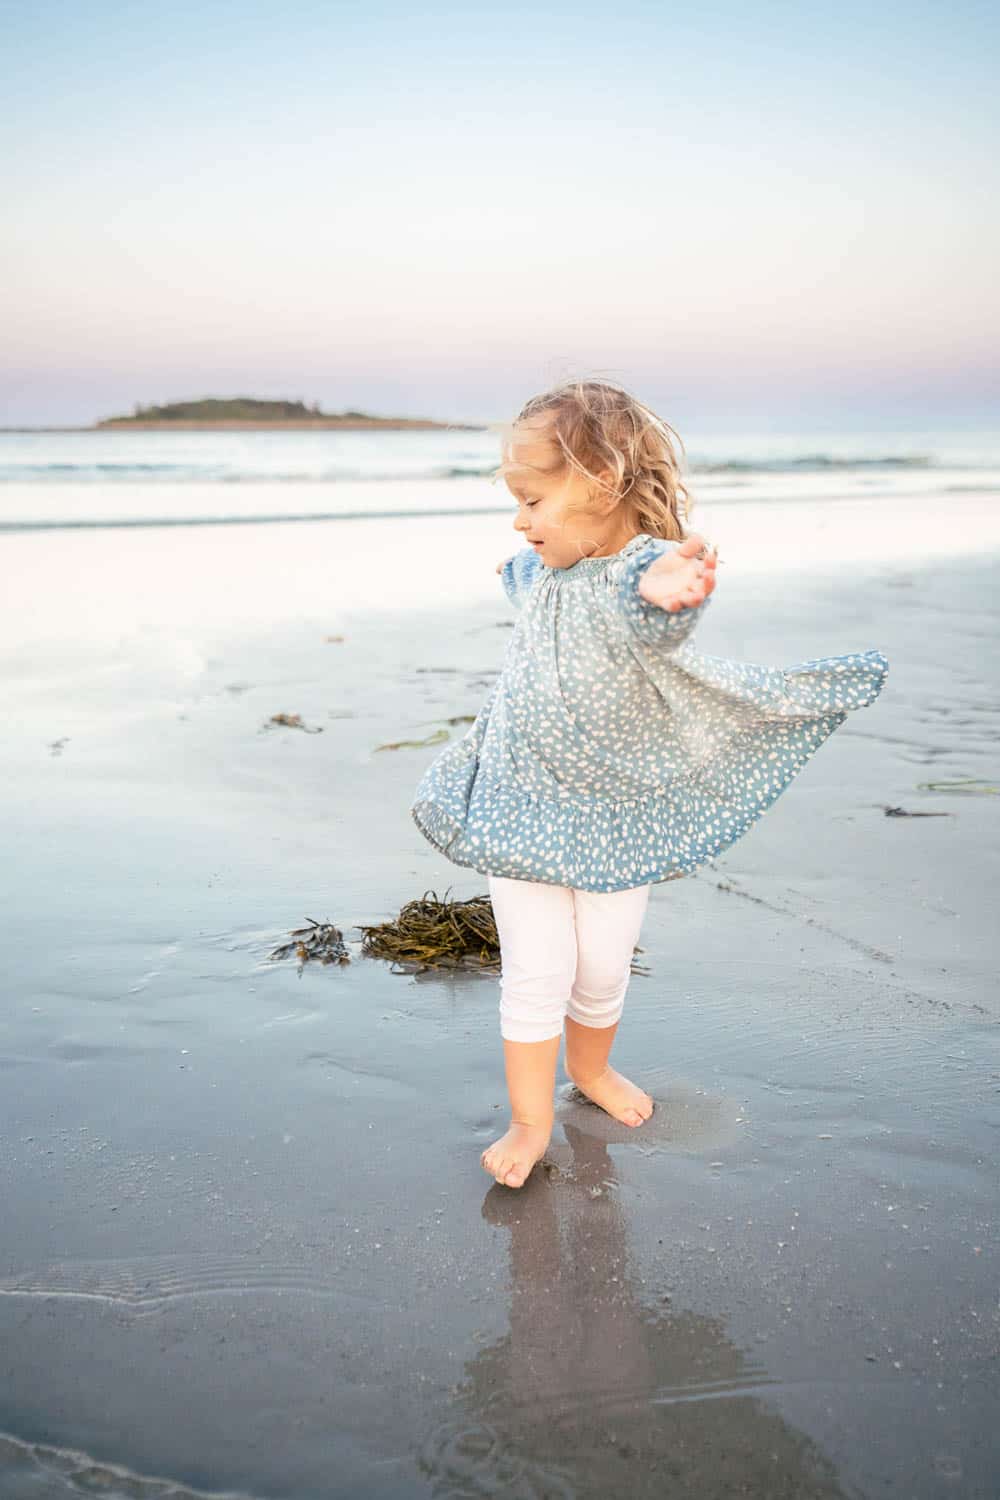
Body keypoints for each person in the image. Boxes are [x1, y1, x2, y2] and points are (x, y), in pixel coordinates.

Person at [409, 379, 889, 1190]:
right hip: (521, 799)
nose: (518, 520)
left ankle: (592, 1072)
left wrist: (672, 593)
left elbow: (654, 603)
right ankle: (529, 1120)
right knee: (539, 969)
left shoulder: (639, 573)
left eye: (531, 498)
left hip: (615, 812)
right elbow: (526, 576)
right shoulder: (536, 571)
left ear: (601, 485)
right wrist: (529, 549)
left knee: (601, 968)